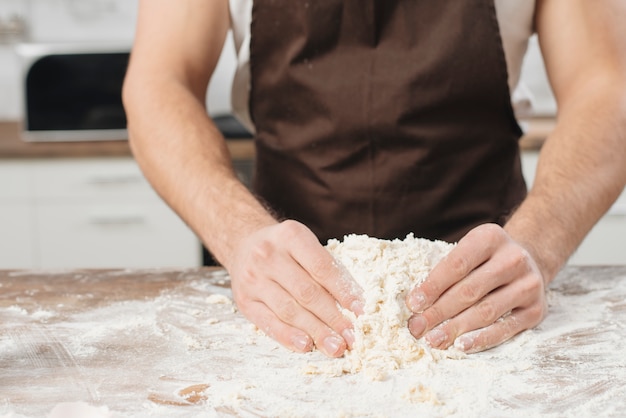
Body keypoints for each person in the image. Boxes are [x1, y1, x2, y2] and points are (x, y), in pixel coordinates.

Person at [122, 0, 626, 358]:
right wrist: (238, 235)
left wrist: (537, 243)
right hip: (286, 296)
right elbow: (160, 83)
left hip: (487, 297)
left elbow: (606, 88)